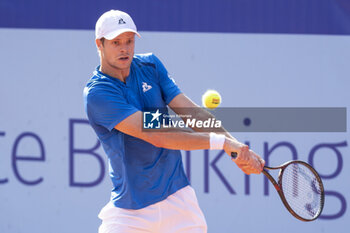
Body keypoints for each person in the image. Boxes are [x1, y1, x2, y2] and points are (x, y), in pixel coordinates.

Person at [84, 9, 265, 233]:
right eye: (116, 42)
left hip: (179, 203)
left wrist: (236, 147)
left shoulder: (150, 65)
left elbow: (190, 113)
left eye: (129, 41)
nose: (124, 48)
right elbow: (157, 134)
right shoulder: (98, 93)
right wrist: (222, 143)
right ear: (99, 44)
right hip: (130, 215)